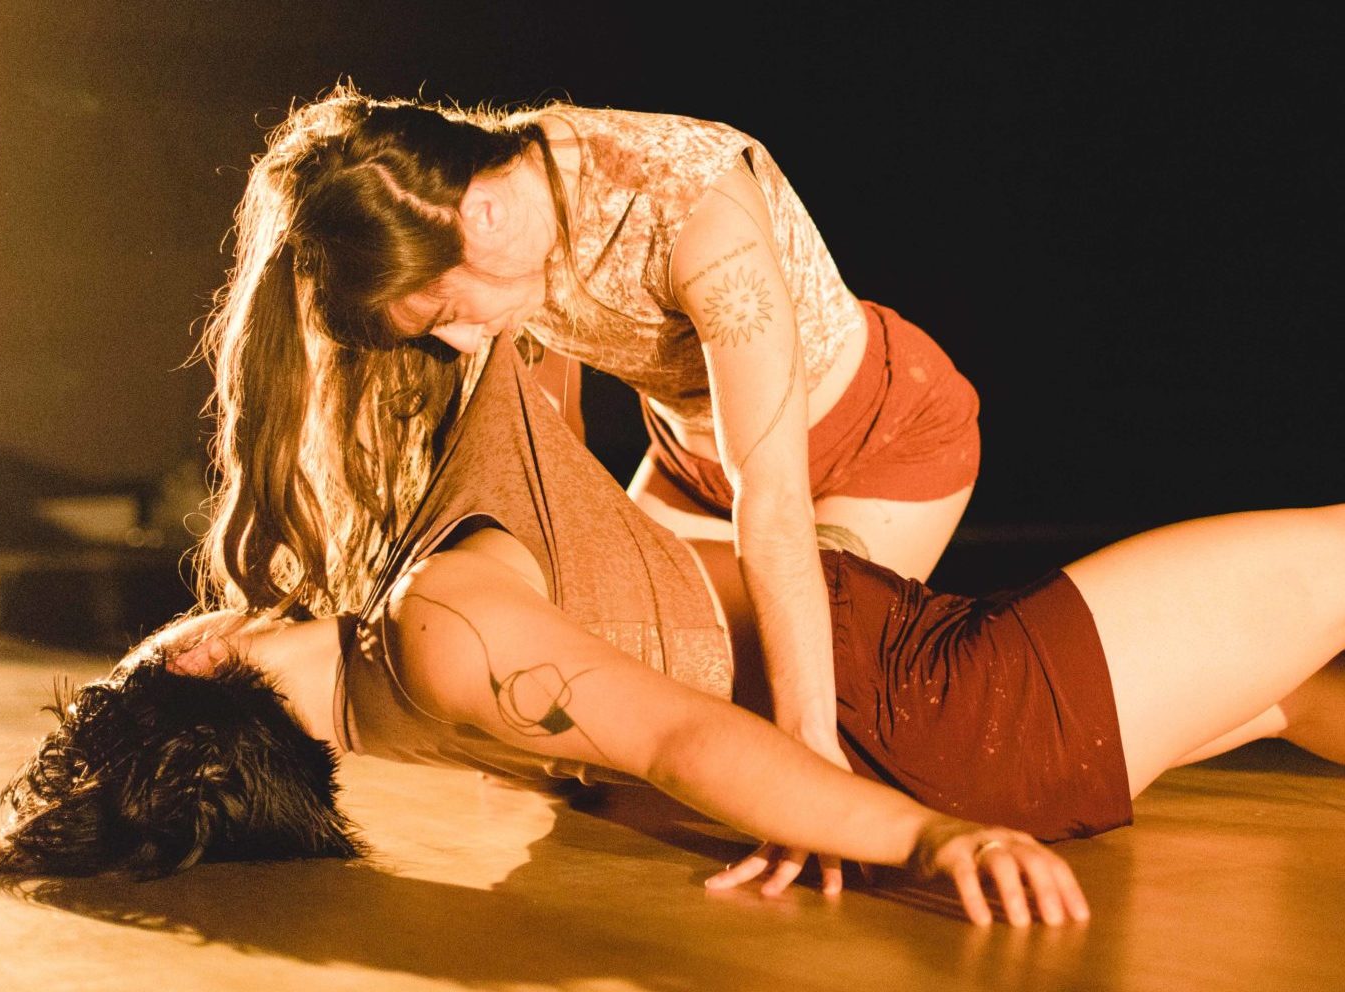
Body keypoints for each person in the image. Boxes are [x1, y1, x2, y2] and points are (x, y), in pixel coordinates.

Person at [0, 341, 1345, 927]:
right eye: (188, 630)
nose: (210, 602)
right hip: (949, 713)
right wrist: (916, 832)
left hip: (929, 686)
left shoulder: (423, 682)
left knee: (1306, 686)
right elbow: (670, 740)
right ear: (223, 667)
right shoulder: (445, 630)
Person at [198, 84, 982, 890]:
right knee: (617, 686)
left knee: (823, 710)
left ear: (485, 216)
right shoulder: (496, 208)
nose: (459, 340)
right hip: (699, 462)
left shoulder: (692, 207)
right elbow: (547, 467)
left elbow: (774, 503)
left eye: (445, 312)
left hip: (885, 445)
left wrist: (812, 757)